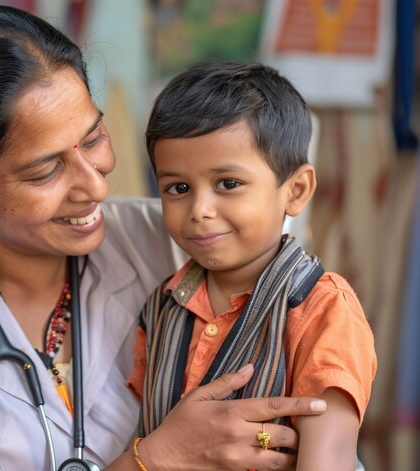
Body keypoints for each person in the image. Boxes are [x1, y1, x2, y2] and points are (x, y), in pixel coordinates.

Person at [0, 7, 329, 471]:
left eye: (92, 138)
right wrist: (155, 460)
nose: (96, 185)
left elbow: (311, 416)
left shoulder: (179, 241)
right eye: (45, 171)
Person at [127, 60, 377, 470]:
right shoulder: (160, 307)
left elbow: (329, 456)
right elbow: (146, 433)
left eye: (228, 184)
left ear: (295, 191)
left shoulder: (321, 307)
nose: (199, 209)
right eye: (178, 188)